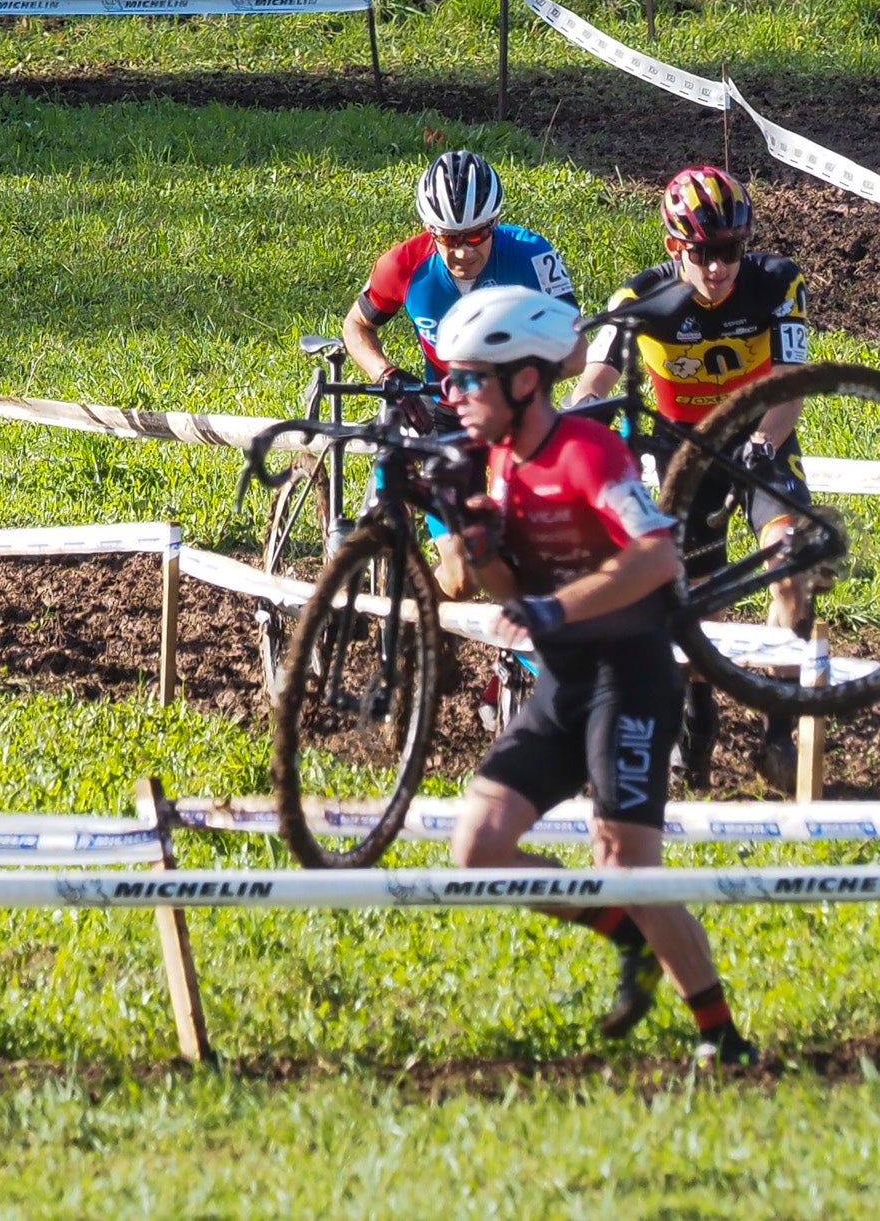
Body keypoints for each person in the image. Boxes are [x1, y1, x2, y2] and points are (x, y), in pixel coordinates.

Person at [430, 284, 751, 1064]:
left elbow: (656, 555)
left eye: (471, 378)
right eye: (452, 378)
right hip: (563, 685)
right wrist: (478, 550)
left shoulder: (586, 452)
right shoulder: (496, 462)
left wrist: (555, 610)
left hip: (631, 678)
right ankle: (627, 941)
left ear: (525, 380)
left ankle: (722, 1038)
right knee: (477, 847)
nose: (455, 394)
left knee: (628, 868)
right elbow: (506, 591)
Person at [573, 163, 816, 793]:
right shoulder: (639, 300)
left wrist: (765, 442)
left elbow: (789, 385)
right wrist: (567, 428)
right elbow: (595, 380)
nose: (718, 268)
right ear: (674, 248)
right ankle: (698, 713)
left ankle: (778, 733)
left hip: (762, 445)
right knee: (693, 599)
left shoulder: (778, 284)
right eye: (703, 253)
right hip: (684, 459)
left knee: (792, 569)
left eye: (730, 250)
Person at [343, 147, 578, 386]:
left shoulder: (532, 254)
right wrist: (384, 373)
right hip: (441, 406)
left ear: (495, 221)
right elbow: (356, 325)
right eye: (449, 238)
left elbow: (577, 351)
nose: (464, 252)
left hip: (515, 407)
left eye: (477, 235)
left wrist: (511, 384)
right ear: (430, 229)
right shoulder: (401, 265)